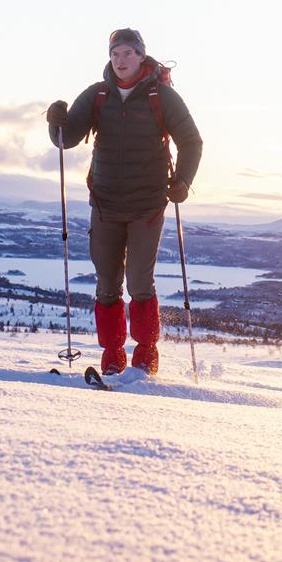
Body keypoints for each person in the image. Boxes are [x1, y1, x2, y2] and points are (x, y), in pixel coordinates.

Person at [46, 27, 203, 375]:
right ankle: (113, 356)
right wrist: (55, 121)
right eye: (115, 54)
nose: (120, 61)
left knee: (139, 281)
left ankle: (145, 355)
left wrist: (182, 183)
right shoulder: (98, 95)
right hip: (104, 203)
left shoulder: (161, 97)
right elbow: (66, 138)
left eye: (127, 53)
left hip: (147, 203)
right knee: (106, 282)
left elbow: (192, 142)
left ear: (141, 56)